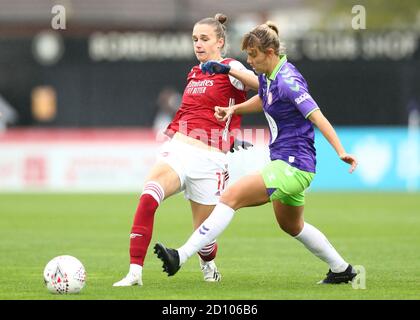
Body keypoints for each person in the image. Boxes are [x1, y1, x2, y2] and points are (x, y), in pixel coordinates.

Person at [154, 21, 359, 284]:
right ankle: (342, 270)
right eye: (248, 55)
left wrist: (341, 152)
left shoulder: (288, 81)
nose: (249, 61)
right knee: (291, 225)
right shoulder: (271, 76)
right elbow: (263, 98)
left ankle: (179, 257)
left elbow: (317, 116)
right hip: (289, 164)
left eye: (253, 55)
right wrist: (233, 110)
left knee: (230, 196)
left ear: (270, 53)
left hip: (292, 165)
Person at [113, 13, 258, 286]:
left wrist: (228, 70)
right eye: (194, 39)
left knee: (205, 239)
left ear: (220, 41)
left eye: (204, 39)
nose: (198, 44)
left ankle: (209, 265)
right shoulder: (194, 72)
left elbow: (260, 84)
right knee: (148, 196)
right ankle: (134, 273)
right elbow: (194, 112)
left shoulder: (230, 66)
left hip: (211, 160)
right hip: (179, 150)